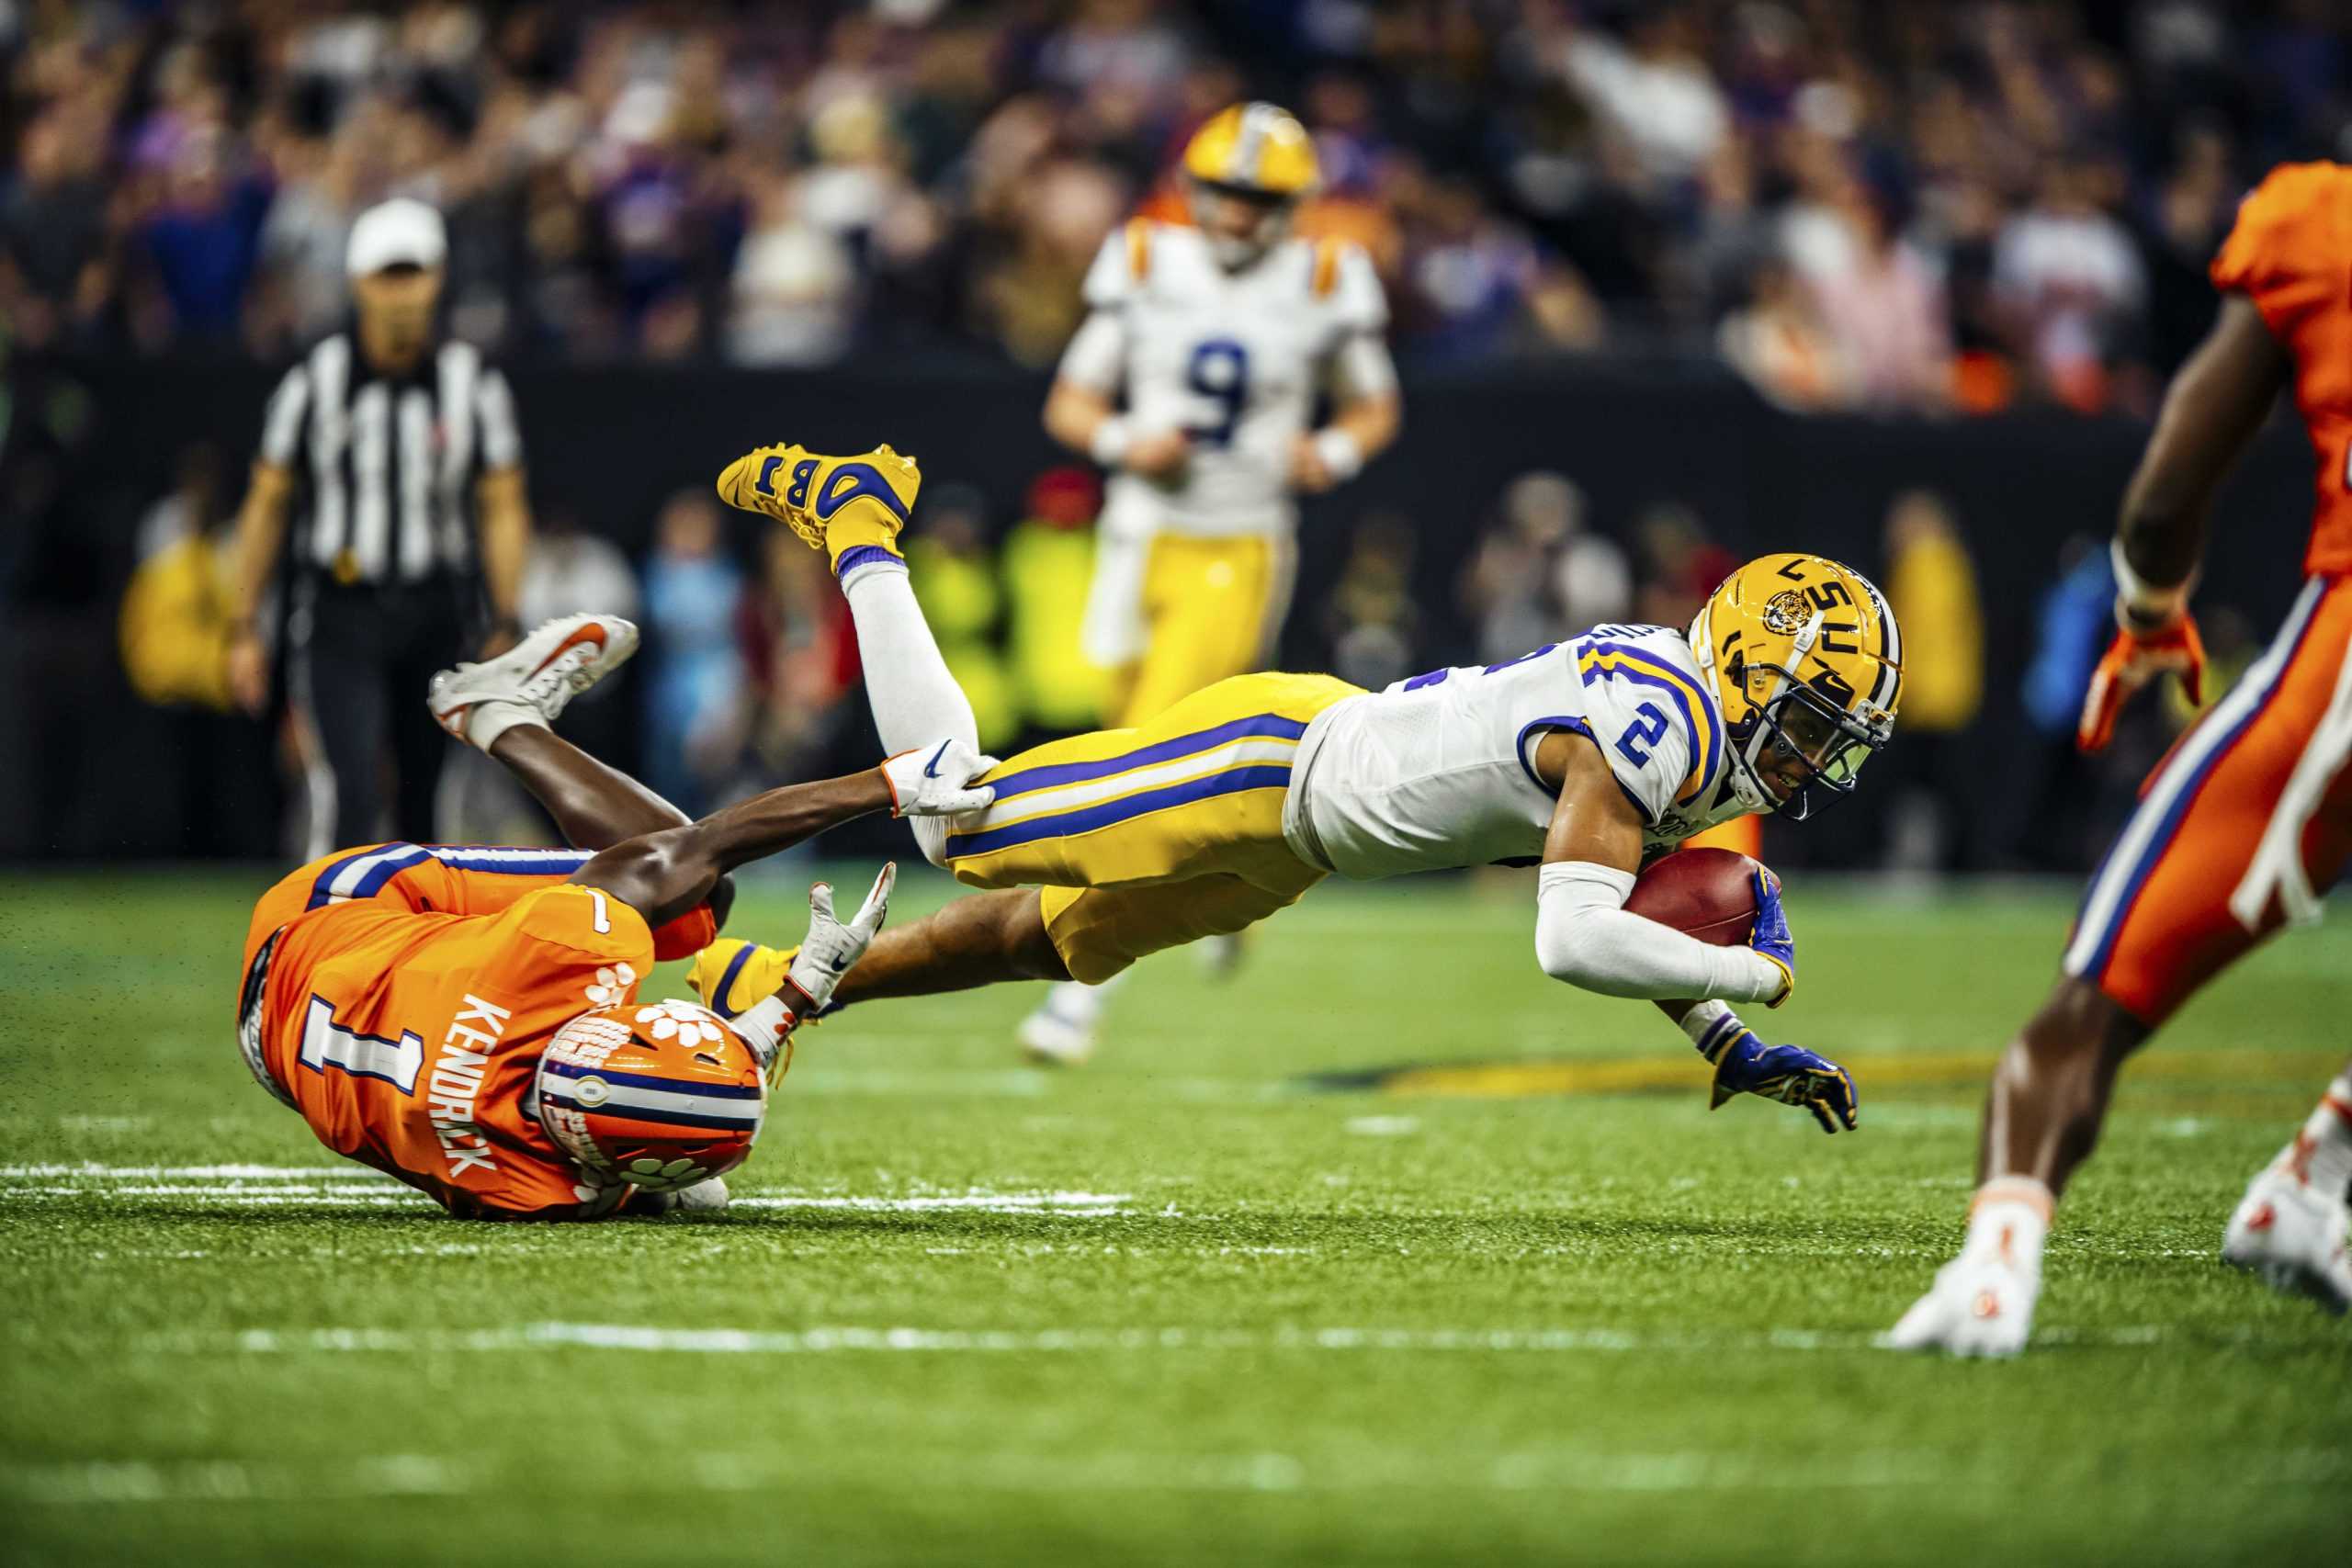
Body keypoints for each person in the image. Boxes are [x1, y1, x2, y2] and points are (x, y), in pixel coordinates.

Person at [695, 441, 1892, 1135]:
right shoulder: (1659, 723)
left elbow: (1611, 894)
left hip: (1297, 844)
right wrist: (1750, 972)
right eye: (1808, 723)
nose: (1810, 757)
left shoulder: (1686, 729)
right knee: (956, 819)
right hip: (1272, 764)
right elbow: (1574, 938)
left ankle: (776, 993)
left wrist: (1724, 1039)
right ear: (1743, 667)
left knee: (1041, 941)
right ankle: (860, 523)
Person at [1891, 163, 2352, 1355]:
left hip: (2340, 673)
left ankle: (1994, 1268)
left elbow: (2168, 487)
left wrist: (2148, 609)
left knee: (2096, 996)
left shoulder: (2322, 221)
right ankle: (2318, 1175)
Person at [236, 612, 989, 1220]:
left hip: (328, 919)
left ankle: (492, 711)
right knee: (686, 913)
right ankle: (498, 713)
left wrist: (887, 784)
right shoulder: (534, 1189)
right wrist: (794, 993)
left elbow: (692, 849)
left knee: (692, 890)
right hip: (278, 1051)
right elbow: (638, 1146)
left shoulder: (547, 968)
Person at [1026, 101, 1405, 1062]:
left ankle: (1077, 991)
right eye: (1225, 192)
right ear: (1193, 189)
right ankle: (1240, 891)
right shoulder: (1147, 258)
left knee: (1145, 754)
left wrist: (1329, 451)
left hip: (1238, 542)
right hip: (1137, 533)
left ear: (1293, 203)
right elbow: (1071, 402)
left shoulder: (1325, 275)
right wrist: (1122, 439)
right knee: (1122, 735)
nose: (1236, 214)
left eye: (1258, 197)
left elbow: (1372, 408)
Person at [221, 198, 535, 857]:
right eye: (387, 275)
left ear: (439, 278)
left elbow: (502, 504)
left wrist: (506, 615)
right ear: (358, 282)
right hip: (340, 611)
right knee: (350, 792)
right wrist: (244, 623)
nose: (402, 293)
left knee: (431, 801)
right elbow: (267, 502)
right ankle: (327, 948)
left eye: (413, 273)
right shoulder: (314, 382)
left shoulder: (472, 384)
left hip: (438, 611)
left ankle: (420, 955)